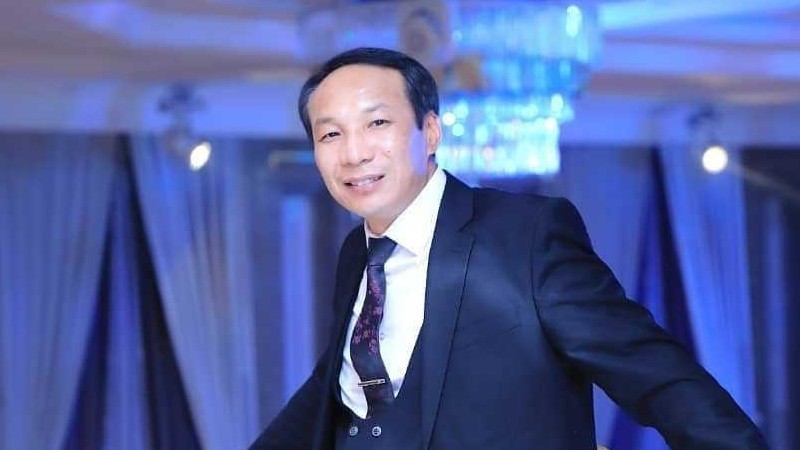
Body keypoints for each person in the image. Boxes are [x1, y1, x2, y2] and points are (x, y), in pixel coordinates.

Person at [250, 47, 768, 450]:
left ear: (430, 131)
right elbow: (337, 384)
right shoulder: (356, 254)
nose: (354, 153)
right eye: (331, 134)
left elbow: (654, 374)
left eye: (377, 123)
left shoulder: (526, 234)